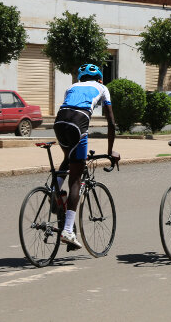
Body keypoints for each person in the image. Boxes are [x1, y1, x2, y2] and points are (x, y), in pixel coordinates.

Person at [53, 63, 119, 249]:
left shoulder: (71, 87)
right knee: (76, 178)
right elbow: (111, 122)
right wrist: (111, 150)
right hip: (78, 125)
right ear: (99, 78)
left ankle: (55, 192)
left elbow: (68, 107)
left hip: (59, 124)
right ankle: (67, 230)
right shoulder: (102, 87)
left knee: (68, 158)